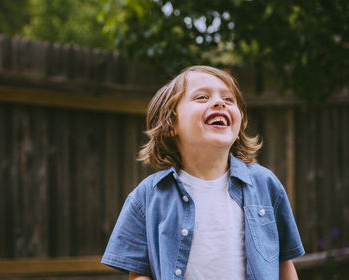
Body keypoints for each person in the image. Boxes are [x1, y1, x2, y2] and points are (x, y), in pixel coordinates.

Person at [101, 65, 305, 280]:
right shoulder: (146, 197)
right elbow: (140, 274)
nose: (219, 103)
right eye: (201, 97)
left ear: (240, 124)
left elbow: (283, 263)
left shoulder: (265, 184)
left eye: (229, 100)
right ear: (171, 124)